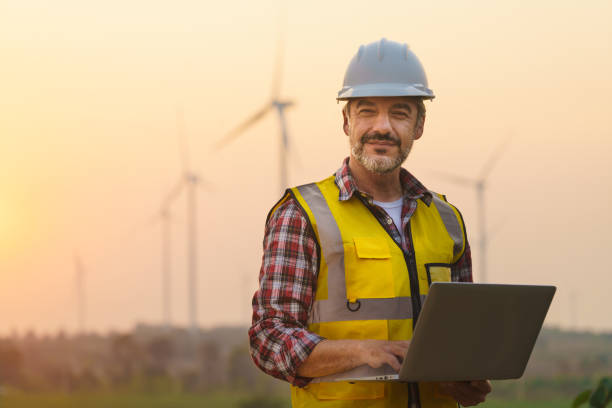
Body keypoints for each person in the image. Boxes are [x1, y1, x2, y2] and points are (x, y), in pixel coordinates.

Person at [249, 38, 492, 408]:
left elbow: (459, 339)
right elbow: (269, 340)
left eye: (399, 112)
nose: (383, 127)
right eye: (367, 111)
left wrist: (465, 380)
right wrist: (360, 351)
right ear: (346, 121)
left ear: (419, 125)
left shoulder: (447, 220)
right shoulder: (302, 215)